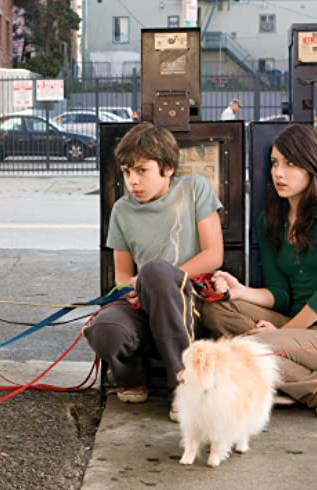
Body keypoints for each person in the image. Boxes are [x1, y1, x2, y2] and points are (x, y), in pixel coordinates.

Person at [202, 124, 317, 417]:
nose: (279, 172)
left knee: (250, 344)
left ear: (312, 167)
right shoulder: (270, 222)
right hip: (294, 328)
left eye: (291, 164)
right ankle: (311, 386)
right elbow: (280, 293)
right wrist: (240, 291)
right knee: (215, 310)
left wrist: (281, 332)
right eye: (275, 163)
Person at [82, 122, 224, 422]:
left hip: (187, 306)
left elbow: (214, 255)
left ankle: (185, 387)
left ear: (168, 168)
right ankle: (131, 374)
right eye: (126, 172)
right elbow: (122, 274)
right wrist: (134, 289)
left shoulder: (194, 189)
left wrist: (155, 280)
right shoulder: (122, 210)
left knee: (157, 273)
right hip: (143, 306)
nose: (133, 181)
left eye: (142, 170)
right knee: (103, 327)